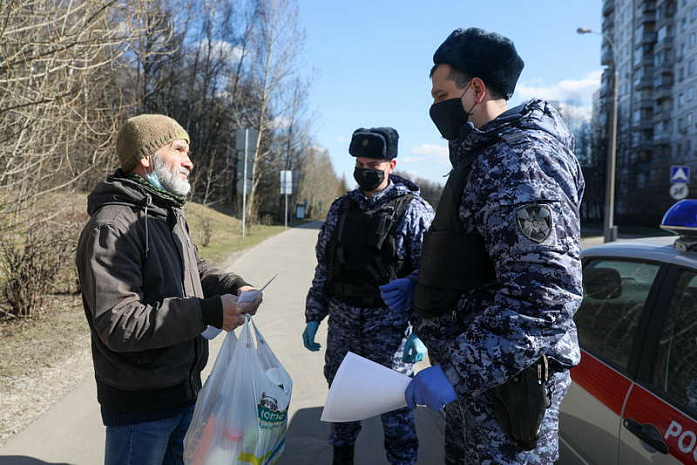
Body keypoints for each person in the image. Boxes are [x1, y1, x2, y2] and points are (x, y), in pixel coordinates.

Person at [382, 28, 585, 464]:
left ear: (475, 89)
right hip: (475, 391)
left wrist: (456, 373)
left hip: (505, 396)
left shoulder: (523, 160)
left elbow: (545, 296)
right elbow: (487, 259)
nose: (435, 107)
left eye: (441, 95)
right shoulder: (483, 156)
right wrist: (423, 286)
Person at [76, 114, 261, 465]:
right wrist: (207, 313)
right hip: (140, 410)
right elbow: (119, 323)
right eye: (178, 149)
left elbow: (194, 268)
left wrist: (234, 286)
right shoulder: (112, 226)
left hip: (185, 394)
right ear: (145, 157)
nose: (189, 162)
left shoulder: (167, 215)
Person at [302, 127, 434, 465]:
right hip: (344, 328)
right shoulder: (341, 209)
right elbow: (325, 268)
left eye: (373, 162)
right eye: (360, 162)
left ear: (391, 164)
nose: (365, 169)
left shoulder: (415, 212)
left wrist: (420, 331)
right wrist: (314, 315)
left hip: (390, 335)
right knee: (343, 411)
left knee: (397, 418)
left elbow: (431, 278)